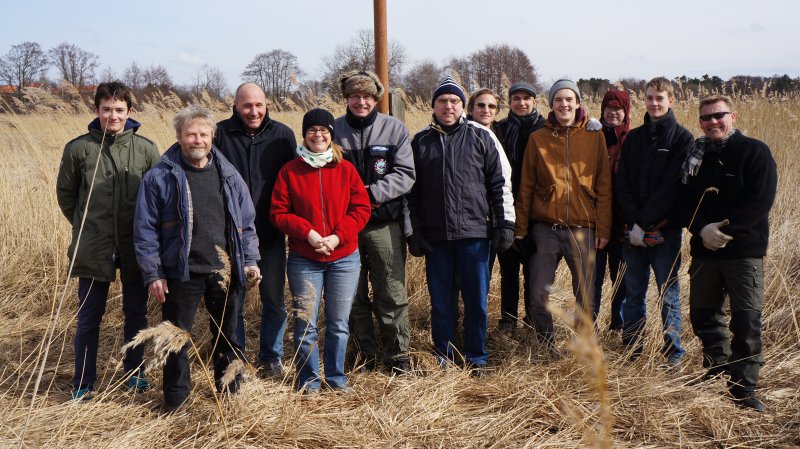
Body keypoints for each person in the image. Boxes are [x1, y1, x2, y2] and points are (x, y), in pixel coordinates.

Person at [134, 105, 260, 411]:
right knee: (176, 338)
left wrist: (250, 260)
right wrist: (154, 273)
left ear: (212, 136)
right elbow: (145, 229)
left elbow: (245, 222)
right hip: (181, 272)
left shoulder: (228, 174)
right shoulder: (160, 177)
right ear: (179, 136)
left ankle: (230, 392)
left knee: (228, 335)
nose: (197, 139)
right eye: (191, 134)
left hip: (224, 271)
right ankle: (176, 401)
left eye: (203, 134)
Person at [56, 81, 160, 400]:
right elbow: (67, 194)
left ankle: (134, 374)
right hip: (93, 247)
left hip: (134, 247)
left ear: (129, 112)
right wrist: (86, 225)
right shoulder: (79, 149)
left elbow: (156, 195)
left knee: (136, 314)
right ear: (96, 110)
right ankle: (83, 382)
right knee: (89, 317)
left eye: (118, 110)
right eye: (106, 109)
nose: (112, 116)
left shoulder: (146, 149)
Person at [405, 75, 515, 374]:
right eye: (442, 101)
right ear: (434, 106)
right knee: (442, 303)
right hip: (437, 239)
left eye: (454, 101)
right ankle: (443, 355)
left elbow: (499, 183)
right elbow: (411, 194)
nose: (449, 106)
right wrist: (413, 231)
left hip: (475, 235)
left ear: (462, 106)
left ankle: (476, 357)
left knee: (476, 302)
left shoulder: (481, 137)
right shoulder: (421, 142)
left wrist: (505, 223)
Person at [680, 95, 777, 412]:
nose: (712, 122)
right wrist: (700, 230)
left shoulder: (755, 152)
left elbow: (759, 202)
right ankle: (717, 368)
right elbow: (683, 201)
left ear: (732, 116)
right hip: (704, 253)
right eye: (705, 118)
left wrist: (723, 233)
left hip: (743, 253)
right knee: (703, 315)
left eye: (718, 115)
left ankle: (744, 387)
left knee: (746, 321)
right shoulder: (696, 157)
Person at [270, 108, 371, 393]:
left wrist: (338, 237)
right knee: (306, 323)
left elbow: (361, 209)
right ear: (305, 134)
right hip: (305, 258)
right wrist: (309, 234)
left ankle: (337, 379)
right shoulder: (290, 170)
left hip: (343, 257)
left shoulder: (346, 169)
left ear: (331, 134)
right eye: (312, 130)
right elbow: (278, 212)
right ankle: (309, 380)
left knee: (338, 323)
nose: (318, 135)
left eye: (323, 130)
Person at [514, 79, 611, 353]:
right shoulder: (538, 138)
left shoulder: (594, 136)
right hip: (546, 229)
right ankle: (546, 345)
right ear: (551, 104)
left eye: (569, 99)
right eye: (558, 100)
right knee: (537, 295)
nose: (564, 104)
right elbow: (527, 186)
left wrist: (603, 228)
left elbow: (603, 184)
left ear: (578, 103)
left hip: (583, 229)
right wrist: (520, 228)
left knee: (586, 296)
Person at [333, 71, 415, 374]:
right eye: (355, 96)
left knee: (391, 291)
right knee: (351, 294)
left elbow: (405, 174)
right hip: (344, 228)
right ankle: (363, 352)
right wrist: (349, 202)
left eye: (367, 97)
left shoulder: (394, 129)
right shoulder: (333, 131)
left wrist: (368, 195)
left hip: (383, 225)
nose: (361, 102)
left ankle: (397, 355)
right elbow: (324, 173)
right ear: (347, 98)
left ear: (376, 99)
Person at [214, 82, 297, 378]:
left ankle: (271, 357)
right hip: (231, 237)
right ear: (235, 105)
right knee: (233, 300)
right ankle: (235, 360)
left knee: (274, 299)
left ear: (266, 104)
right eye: (247, 105)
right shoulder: (219, 134)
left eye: (259, 105)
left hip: (271, 233)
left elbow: (294, 182)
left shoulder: (283, 136)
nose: (253, 111)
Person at [615, 77, 692, 366]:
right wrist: (634, 222)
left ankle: (673, 352)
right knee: (633, 291)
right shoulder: (634, 138)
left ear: (671, 100)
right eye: (649, 98)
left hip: (665, 232)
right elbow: (622, 184)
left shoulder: (682, 139)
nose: (654, 103)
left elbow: (671, 188)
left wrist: (644, 223)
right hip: (633, 232)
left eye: (660, 98)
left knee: (668, 293)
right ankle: (632, 348)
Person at [494, 82, 546, 333]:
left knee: (534, 272)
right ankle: (508, 320)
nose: (521, 103)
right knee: (509, 270)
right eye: (516, 98)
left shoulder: (546, 128)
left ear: (535, 101)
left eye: (527, 98)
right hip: (506, 207)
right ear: (510, 102)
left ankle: (531, 320)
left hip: (538, 212)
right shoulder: (500, 129)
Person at [593, 90, 631, 330]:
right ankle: (590, 324)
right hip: (596, 222)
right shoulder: (593, 136)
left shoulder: (633, 139)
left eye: (618, 108)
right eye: (609, 107)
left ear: (626, 111)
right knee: (593, 279)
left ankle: (617, 325)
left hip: (623, 223)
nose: (613, 112)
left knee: (622, 280)